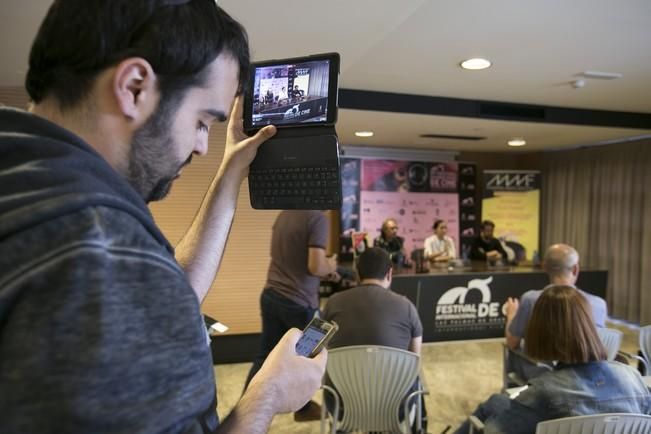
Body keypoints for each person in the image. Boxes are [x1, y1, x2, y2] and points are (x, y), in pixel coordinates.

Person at [0, 2, 326, 433]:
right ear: (134, 87)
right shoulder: (107, 255)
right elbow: (138, 285)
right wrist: (267, 396)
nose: (201, 147)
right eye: (202, 121)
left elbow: (170, 291)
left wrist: (231, 171)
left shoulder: (28, 185)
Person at [454, 285, 650, 434]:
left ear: (540, 331)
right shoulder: (633, 378)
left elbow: (495, 431)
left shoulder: (544, 393)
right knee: (497, 402)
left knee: (494, 405)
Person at [245, 210, 338, 421]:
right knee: (308, 356)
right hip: (298, 301)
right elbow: (315, 266)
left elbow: (286, 256)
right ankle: (303, 410)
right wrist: (330, 265)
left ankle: (245, 415)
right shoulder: (317, 218)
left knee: (264, 355)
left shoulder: (285, 214)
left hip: (271, 293)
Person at [322, 247, 423, 426]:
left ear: (357, 275)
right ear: (390, 274)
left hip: (342, 409)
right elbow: (414, 361)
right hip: (395, 410)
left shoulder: (333, 303)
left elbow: (309, 347)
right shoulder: (407, 307)